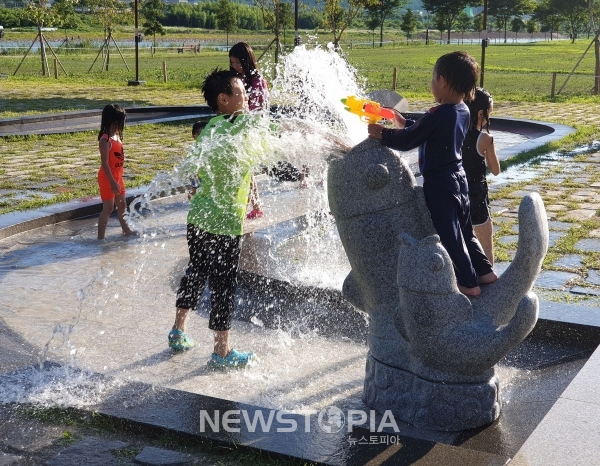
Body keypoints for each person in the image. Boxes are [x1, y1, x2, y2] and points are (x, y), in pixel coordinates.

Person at [168, 68, 277, 369]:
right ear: (224, 99)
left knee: (195, 272)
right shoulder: (242, 125)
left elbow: (195, 172)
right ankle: (222, 351)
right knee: (223, 285)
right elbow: (276, 141)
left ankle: (178, 330)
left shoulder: (209, 129)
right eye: (241, 92)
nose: (247, 96)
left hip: (198, 218)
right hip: (224, 223)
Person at [367, 51, 497, 297]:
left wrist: (382, 134)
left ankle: (469, 284)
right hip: (460, 180)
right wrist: (399, 120)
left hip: (440, 184)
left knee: (450, 235)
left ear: (444, 81)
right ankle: (485, 271)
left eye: (433, 78)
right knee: (466, 230)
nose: (431, 83)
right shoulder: (461, 111)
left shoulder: (439, 113)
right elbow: (424, 130)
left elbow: (409, 140)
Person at [229, 41, 269, 219]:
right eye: (232, 62)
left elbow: (257, 108)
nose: (235, 66)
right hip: (239, 127)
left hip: (251, 129)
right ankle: (255, 205)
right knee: (245, 170)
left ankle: (244, 209)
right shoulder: (237, 79)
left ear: (247, 60)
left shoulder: (257, 80)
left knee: (244, 169)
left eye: (238, 62)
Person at [462, 87, 500, 266]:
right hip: (477, 194)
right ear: (480, 114)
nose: (489, 118)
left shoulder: (455, 133)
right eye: (488, 114)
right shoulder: (485, 138)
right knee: (486, 244)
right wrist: (490, 150)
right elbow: (495, 170)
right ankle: (490, 281)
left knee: (462, 240)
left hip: (458, 192)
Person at [97, 104, 137, 240]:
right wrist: (112, 182)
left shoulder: (117, 136)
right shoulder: (105, 140)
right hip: (108, 178)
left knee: (122, 205)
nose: (122, 125)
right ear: (113, 121)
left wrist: (118, 178)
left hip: (118, 177)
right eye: (120, 122)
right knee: (108, 208)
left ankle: (126, 231)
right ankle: (100, 238)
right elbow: (105, 164)